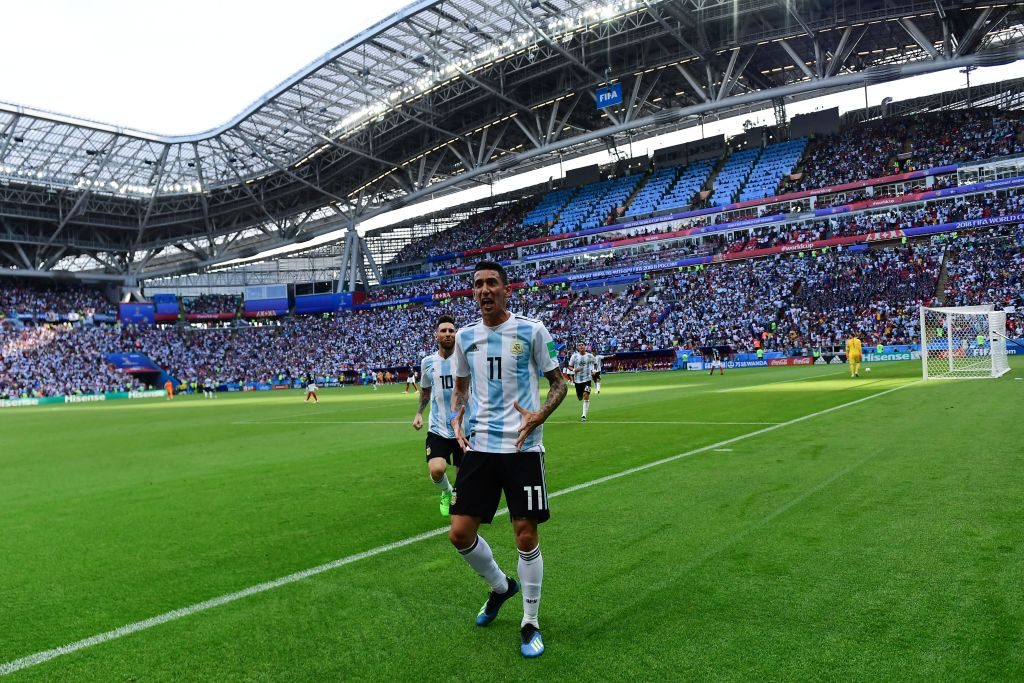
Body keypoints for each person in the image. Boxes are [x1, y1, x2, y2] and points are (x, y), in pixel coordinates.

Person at [449, 261, 567, 659]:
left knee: (525, 535)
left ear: (506, 289)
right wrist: (457, 416)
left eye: (492, 283)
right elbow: (461, 388)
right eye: (478, 284)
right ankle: (501, 587)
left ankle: (530, 621)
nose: (484, 290)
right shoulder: (465, 337)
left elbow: (559, 383)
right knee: (459, 534)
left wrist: (540, 415)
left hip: (522, 448)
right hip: (480, 447)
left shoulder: (533, 330)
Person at [412, 315, 461, 516]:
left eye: (451, 331)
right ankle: (446, 491)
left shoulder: (465, 358)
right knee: (436, 470)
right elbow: (425, 391)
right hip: (438, 426)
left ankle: (463, 519)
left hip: (464, 427)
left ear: (456, 334)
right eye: (443, 331)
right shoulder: (428, 362)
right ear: (436, 336)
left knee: (464, 481)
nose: (448, 334)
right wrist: (419, 413)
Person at [568, 342, 597, 422]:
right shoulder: (574, 356)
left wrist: (594, 370)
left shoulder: (590, 356)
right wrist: (574, 370)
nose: (581, 346)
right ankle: (583, 400)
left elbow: (595, 363)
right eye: (579, 345)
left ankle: (584, 415)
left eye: (582, 345)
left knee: (586, 395)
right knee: (580, 397)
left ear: (585, 346)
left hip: (587, 379)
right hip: (577, 381)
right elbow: (569, 366)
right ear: (577, 347)